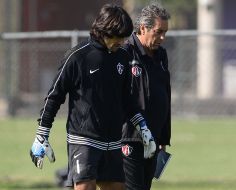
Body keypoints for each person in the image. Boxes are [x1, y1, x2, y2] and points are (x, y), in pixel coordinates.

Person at [29, 4, 156, 190]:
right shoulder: (78, 57)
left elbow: (127, 99)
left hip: (113, 141)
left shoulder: (122, 57)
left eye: (124, 38)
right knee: (84, 187)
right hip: (84, 140)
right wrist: (42, 134)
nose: (121, 42)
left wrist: (143, 128)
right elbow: (54, 97)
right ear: (104, 31)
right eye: (118, 37)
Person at [121, 4, 171, 190]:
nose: (162, 38)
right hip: (130, 138)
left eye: (165, 32)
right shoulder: (125, 52)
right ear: (143, 28)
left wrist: (163, 139)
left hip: (154, 138)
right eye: (158, 32)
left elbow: (165, 95)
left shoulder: (161, 55)